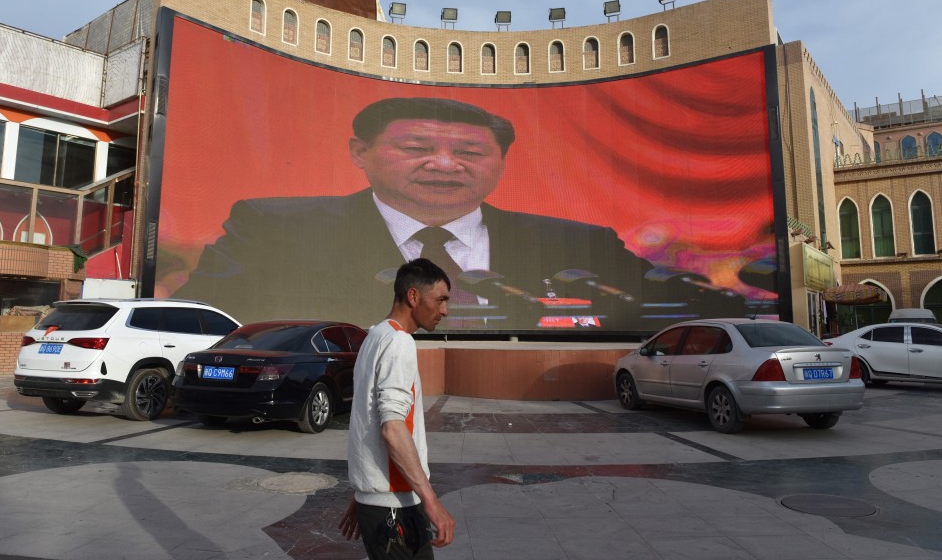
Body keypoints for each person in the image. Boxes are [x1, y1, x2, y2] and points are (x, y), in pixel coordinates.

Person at [174, 97, 720, 329]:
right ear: (360, 153)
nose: (443, 164)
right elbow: (205, 317)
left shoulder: (579, 242)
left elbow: (664, 307)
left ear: (501, 162)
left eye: (469, 152)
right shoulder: (272, 227)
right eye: (416, 148)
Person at [338, 258, 456, 558]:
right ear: (413, 296)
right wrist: (432, 502)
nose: (445, 310)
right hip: (394, 508)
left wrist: (364, 493)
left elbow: (366, 420)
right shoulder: (399, 342)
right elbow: (392, 428)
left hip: (381, 502)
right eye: (440, 300)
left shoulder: (375, 336)